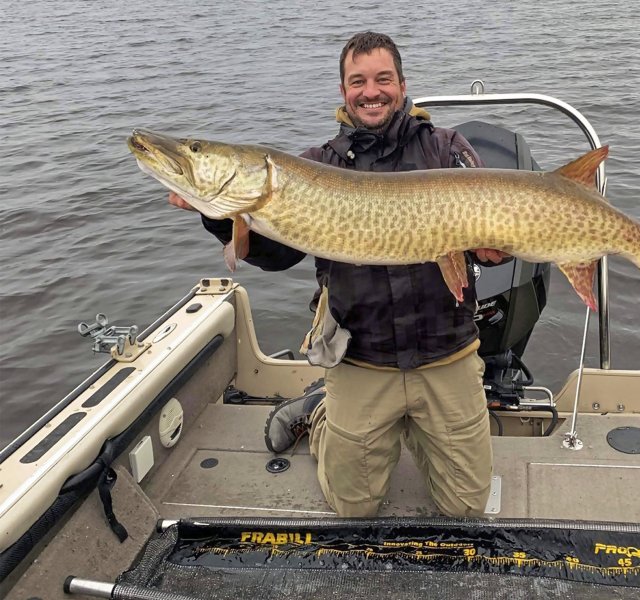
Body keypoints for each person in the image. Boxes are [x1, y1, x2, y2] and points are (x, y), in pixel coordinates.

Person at [169, 32, 506, 518]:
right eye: (358, 82)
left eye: (382, 79)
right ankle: (321, 412)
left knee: (466, 509)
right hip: (362, 357)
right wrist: (220, 216)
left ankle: (404, 424)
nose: (371, 91)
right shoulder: (316, 166)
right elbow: (275, 255)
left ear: (402, 85)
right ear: (344, 92)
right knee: (354, 509)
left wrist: (497, 250)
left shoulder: (447, 149)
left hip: (445, 352)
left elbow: (499, 242)